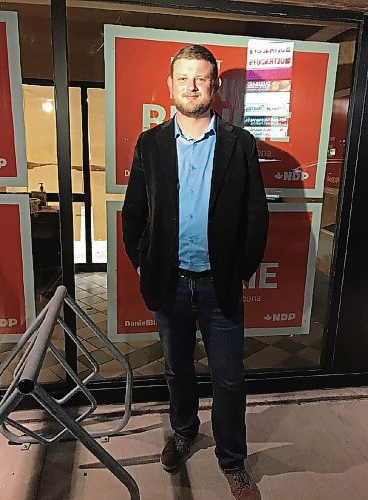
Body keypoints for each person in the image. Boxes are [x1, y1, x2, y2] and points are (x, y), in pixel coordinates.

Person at [122, 44, 269, 500]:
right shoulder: (150, 144)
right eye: (183, 77)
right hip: (169, 283)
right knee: (176, 369)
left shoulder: (239, 143)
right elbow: (134, 214)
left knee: (229, 378)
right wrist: (145, 262)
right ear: (170, 86)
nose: (191, 86)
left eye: (200, 78)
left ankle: (232, 459)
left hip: (217, 284)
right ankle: (184, 432)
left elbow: (255, 216)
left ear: (214, 86)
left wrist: (240, 269)